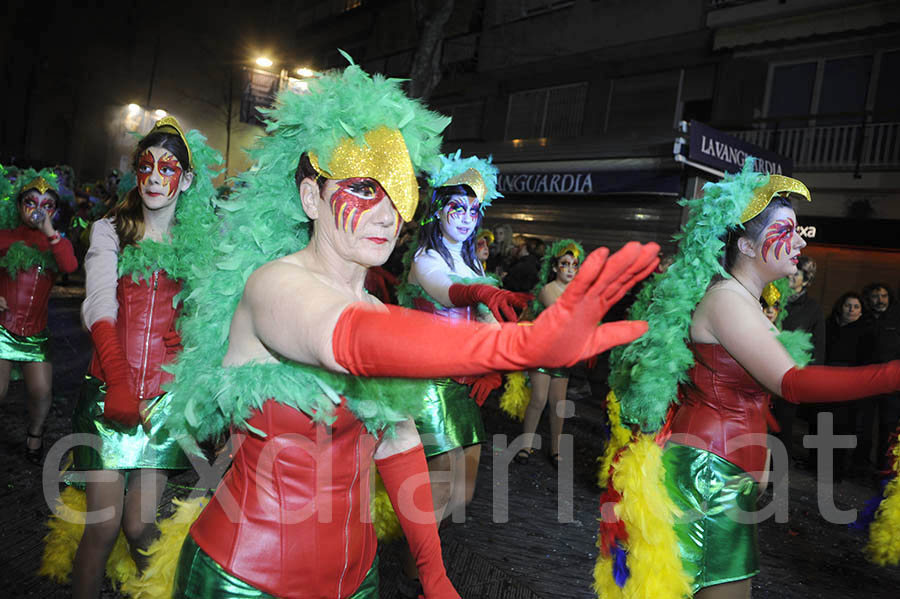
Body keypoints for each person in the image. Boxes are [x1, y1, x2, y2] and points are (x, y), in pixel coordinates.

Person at [161, 63, 659, 599]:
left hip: (357, 581)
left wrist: (433, 569)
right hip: (246, 580)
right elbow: (350, 341)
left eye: (399, 195)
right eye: (363, 190)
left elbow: (396, 443)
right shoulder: (273, 286)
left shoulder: (373, 305)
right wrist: (517, 346)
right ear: (310, 198)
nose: (387, 215)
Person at [596, 164, 900, 599]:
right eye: (787, 230)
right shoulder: (727, 302)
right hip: (708, 474)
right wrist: (892, 375)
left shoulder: (748, 304)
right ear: (744, 242)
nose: (799, 241)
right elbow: (792, 384)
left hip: (725, 472)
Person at [66, 117, 220, 599]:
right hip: (109, 391)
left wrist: (191, 341)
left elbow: (213, 313)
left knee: (139, 526)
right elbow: (98, 305)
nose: (154, 177)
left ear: (186, 180)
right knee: (103, 528)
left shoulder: (198, 246)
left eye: (168, 168)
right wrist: (117, 377)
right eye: (146, 166)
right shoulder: (110, 229)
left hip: (162, 403)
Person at [396, 151, 532, 596]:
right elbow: (447, 292)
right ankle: (421, 578)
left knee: (465, 492)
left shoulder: (475, 263)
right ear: (439, 209)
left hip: (462, 384)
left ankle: (415, 546)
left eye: (475, 210)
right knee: (437, 490)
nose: (467, 217)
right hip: (428, 383)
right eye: (459, 206)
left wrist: (509, 349)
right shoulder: (425, 258)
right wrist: (479, 291)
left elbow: (488, 320)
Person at [0, 169, 78, 463]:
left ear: (55, 211)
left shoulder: (56, 242)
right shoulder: (5, 237)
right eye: (31, 202)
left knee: (41, 389)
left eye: (47, 205)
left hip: (35, 332)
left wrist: (51, 233)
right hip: (1, 329)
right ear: (19, 205)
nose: (38, 210)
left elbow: (69, 266)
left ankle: (35, 435)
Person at [515, 239, 584, 467]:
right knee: (539, 398)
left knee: (558, 403)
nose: (571, 269)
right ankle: (525, 445)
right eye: (565, 264)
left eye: (575, 265)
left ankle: (555, 450)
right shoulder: (548, 290)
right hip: (543, 351)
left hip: (562, 355)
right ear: (555, 267)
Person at [856, 282, 900, 472]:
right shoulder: (862, 320)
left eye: (884, 296)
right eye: (875, 296)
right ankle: (859, 464)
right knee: (862, 425)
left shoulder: (896, 320)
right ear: (868, 299)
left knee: (887, 427)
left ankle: (883, 467)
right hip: (864, 382)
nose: (880, 300)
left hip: (891, 385)